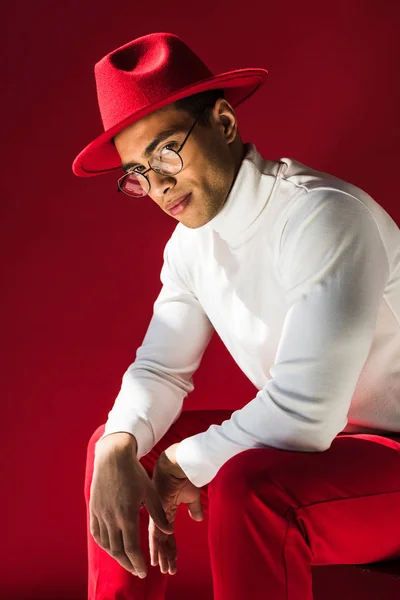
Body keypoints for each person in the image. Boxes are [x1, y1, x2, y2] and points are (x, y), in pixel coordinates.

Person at [72, 32, 400, 600]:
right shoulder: (189, 247)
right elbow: (160, 370)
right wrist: (118, 443)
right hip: (321, 453)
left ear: (224, 123)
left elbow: (304, 415)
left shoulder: (321, 215)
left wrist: (184, 464)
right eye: (137, 174)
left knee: (250, 485)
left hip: (388, 451)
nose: (158, 184)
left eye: (167, 151)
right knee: (119, 448)